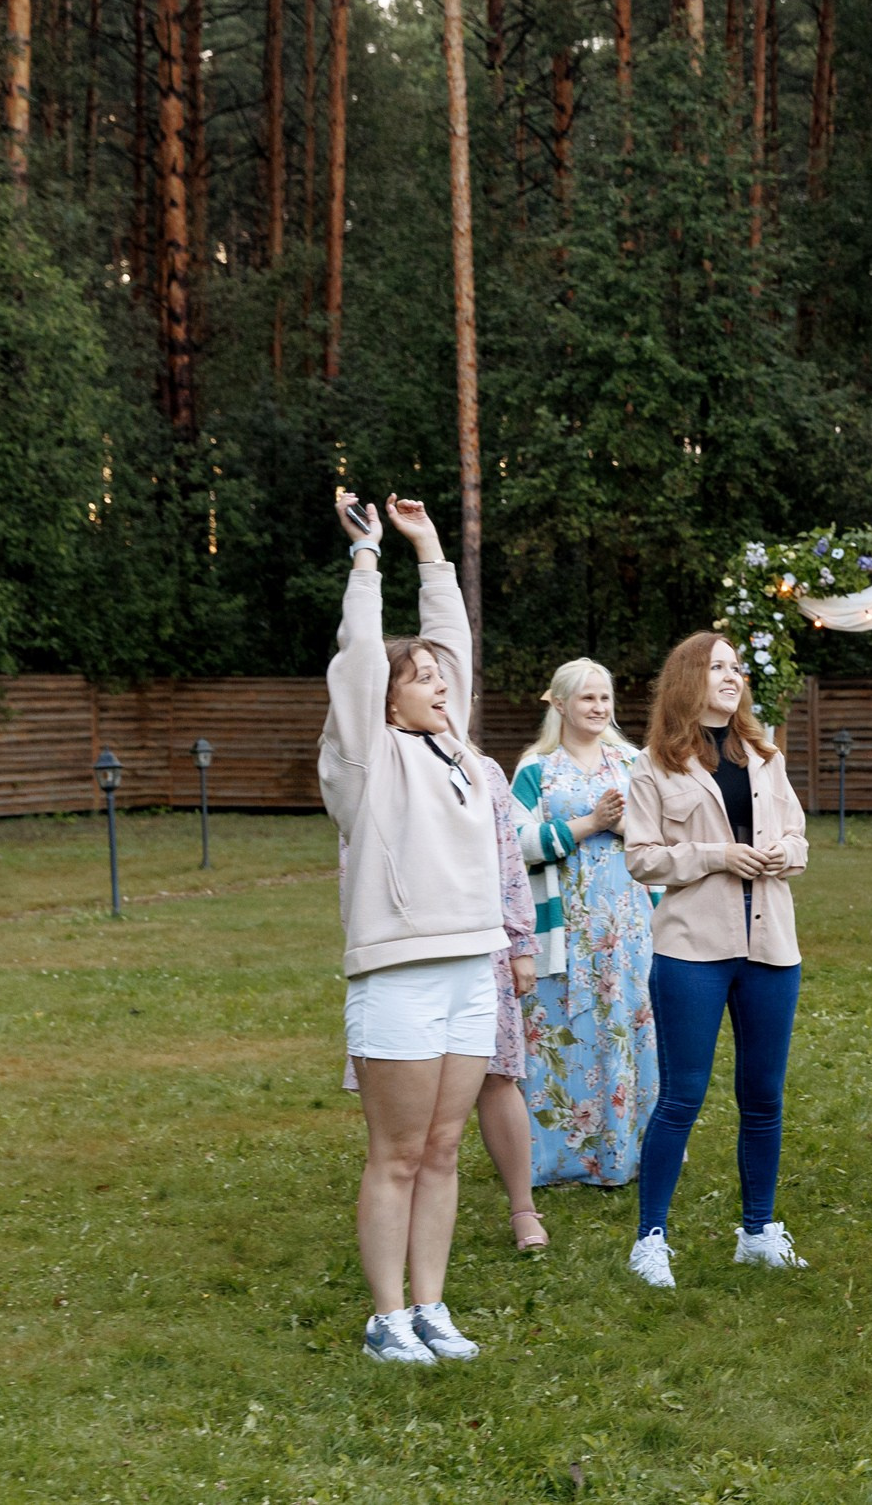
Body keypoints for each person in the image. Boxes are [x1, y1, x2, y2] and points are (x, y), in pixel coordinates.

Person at [319, 491, 504, 1366]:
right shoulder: (365, 758)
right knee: (396, 1151)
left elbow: (456, 649)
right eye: (420, 678)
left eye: (439, 677)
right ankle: (386, 1317)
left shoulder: (458, 748)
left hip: (473, 967)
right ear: (386, 702)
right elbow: (360, 660)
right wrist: (368, 560)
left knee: (443, 1146)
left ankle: (431, 1305)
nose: (438, 685)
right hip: (398, 973)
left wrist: (430, 549)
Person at [621, 631, 813, 1286]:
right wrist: (717, 856)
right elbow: (642, 857)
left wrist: (783, 852)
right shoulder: (654, 765)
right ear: (688, 680)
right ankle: (650, 1238)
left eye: (736, 667)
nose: (732, 676)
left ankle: (758, 1231)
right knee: (682, 1095)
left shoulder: (765, 755)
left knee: (763, 1096)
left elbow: (798, 838)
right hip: (691, 949)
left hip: (770, 946)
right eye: (717, 666)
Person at [341, 749, 546, 1251]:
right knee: (411, 1109)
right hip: (408, 956)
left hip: (483, 946)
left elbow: (507, 859)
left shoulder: (484, 771)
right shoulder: (374, 768)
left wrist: (520, 942)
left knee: (499, 1076)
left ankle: (523, 1209)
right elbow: (357, 865)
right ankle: (403, 1206)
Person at [510, 659, 659, 1188]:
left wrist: (622, 828)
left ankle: (631, 1154)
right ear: (559, 703)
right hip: (563, 933)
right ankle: (556, 1160)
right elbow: (515, 844)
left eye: (604, 698)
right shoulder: (536, 769)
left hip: (630, 929)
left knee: (627, 1030)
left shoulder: (634, 762)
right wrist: (588, 823)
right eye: (586, 698)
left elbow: (664, 837)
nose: (598, 707)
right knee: (561, 1038)